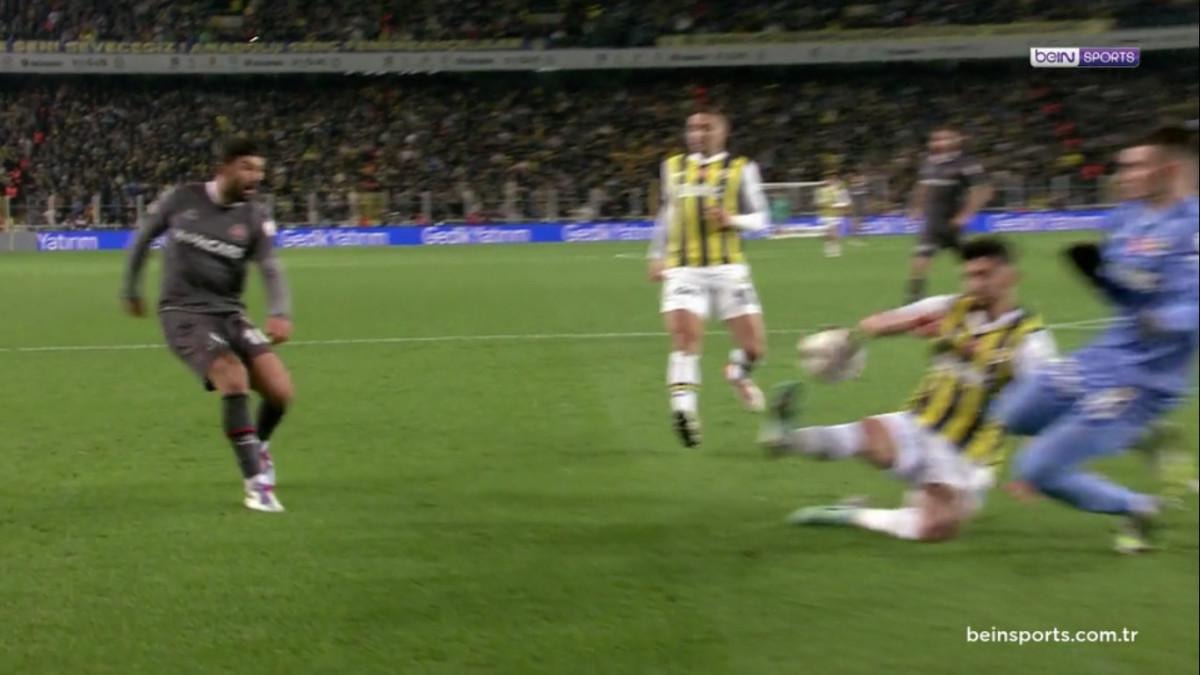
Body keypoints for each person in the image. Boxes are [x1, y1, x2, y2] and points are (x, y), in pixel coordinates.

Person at [760, 237, 1056, 542]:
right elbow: (877, 323)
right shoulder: (949, 307)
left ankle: (851, 515)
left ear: (1011, 276)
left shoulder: (1031, 341)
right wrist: (895, 326)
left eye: (984, 275)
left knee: (936, 528)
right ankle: (787, 438)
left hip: (966, 455)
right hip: (917, 423)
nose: (974, 284)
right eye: (969, 276)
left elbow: (1044, 408)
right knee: (864, 436)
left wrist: (1035, 466)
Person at [994, 126, 1199, 553]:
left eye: (1137, 166)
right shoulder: (1125, 219)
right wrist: (1100, 276)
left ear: (1169, 169)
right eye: (1123, 165)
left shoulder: (1192, 227)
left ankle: (1139, 507)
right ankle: (1143, 437)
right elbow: (1129, 293)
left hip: (1145, 378)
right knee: (1010, 413)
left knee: (1036, 468)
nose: (1124, 174)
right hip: (1104, 357)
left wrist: (1164, 319)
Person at [120, 137, 294, 513]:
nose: (256, 176)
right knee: (233, 376)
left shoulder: (255, 215)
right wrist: (131, 288)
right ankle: (256, 486)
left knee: (280, 392)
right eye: (247, 167)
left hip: (230, 313)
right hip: (183, 312)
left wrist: (280, 310)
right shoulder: (182, 198)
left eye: (260, 170)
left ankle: (259, 446)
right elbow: (142, 239)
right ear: (225, 167)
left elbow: (269, 265)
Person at [647, 110, 771, 447]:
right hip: (683, 269)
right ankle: (684, 411)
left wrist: (732, 219)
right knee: (685, 339)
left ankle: (737, 372)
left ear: (722, 131)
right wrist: (655, 254)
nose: (698, 133)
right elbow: (667, 213)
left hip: (729, 270)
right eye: (692, 127)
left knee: (755, 348)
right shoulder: (672, 167)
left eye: (706, 127)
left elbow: (762, 218)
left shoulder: (741, 168)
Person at [905, 126, 993, 303]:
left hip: (953, 223)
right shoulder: (928, 162)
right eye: (935, 139)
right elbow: (922, 186)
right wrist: (916, 206)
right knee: (921, 257)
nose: (939, 142)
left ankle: (983, 292)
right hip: (932, 222)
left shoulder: (966, 163)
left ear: (957, 140)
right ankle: (914, 296)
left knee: (970, 261)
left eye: (945, 138)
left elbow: (983, 190)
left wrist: (965, 215)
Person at [815, 169, 851, 258]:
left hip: (835, 214)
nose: (831, 181)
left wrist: (838, 205)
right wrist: (823, 204)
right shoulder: (822, 191)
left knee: (834, 232)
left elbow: (846, 202)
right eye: (829, 179)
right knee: (827, 234)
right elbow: (818, 203)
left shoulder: (840, 191)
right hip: (825, 214)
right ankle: (828, 249)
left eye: (833, 179)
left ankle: (836, 250)